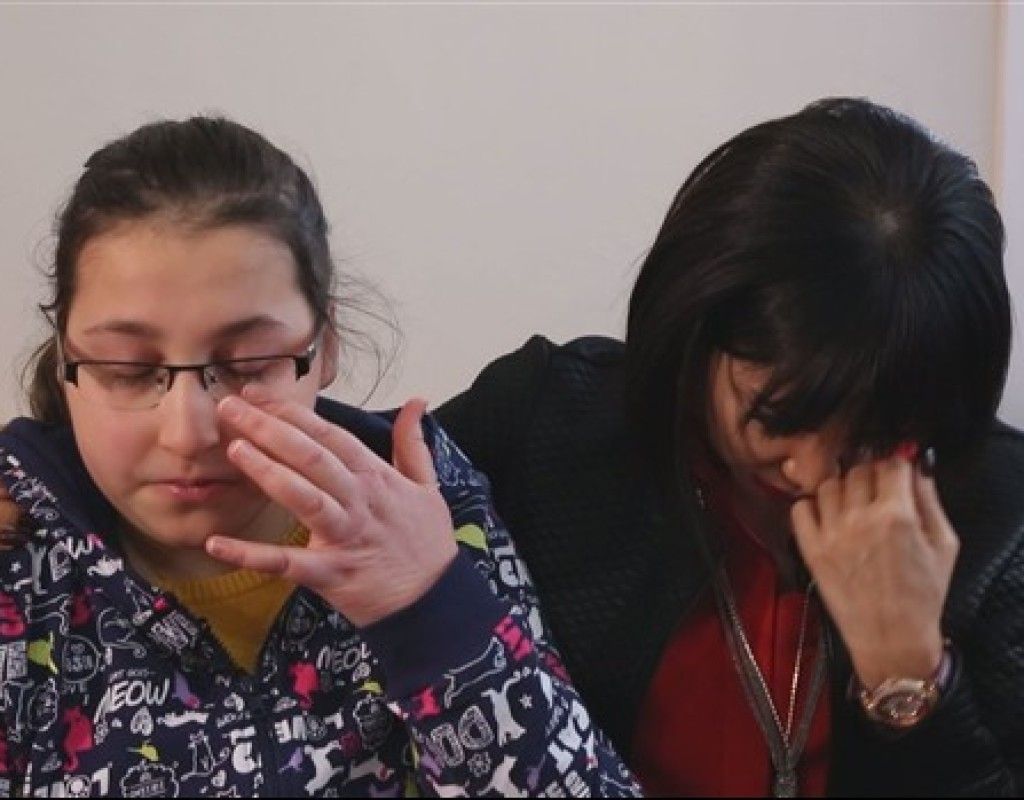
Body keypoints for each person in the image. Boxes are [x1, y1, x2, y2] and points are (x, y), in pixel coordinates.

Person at [0, 117, 640, 798]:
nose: (186, 433)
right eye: (126, 370)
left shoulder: (419, 499)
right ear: (65, 358)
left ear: (324, 347)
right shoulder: (20, 555)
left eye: (249, 365)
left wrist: (429, 609)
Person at [436, 98, 1024, 796]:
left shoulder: (1003, 524)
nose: (810, 471)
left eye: (871, 436)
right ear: (695, 323)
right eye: (777, 418)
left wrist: (911, 675)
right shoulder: (547, 424)